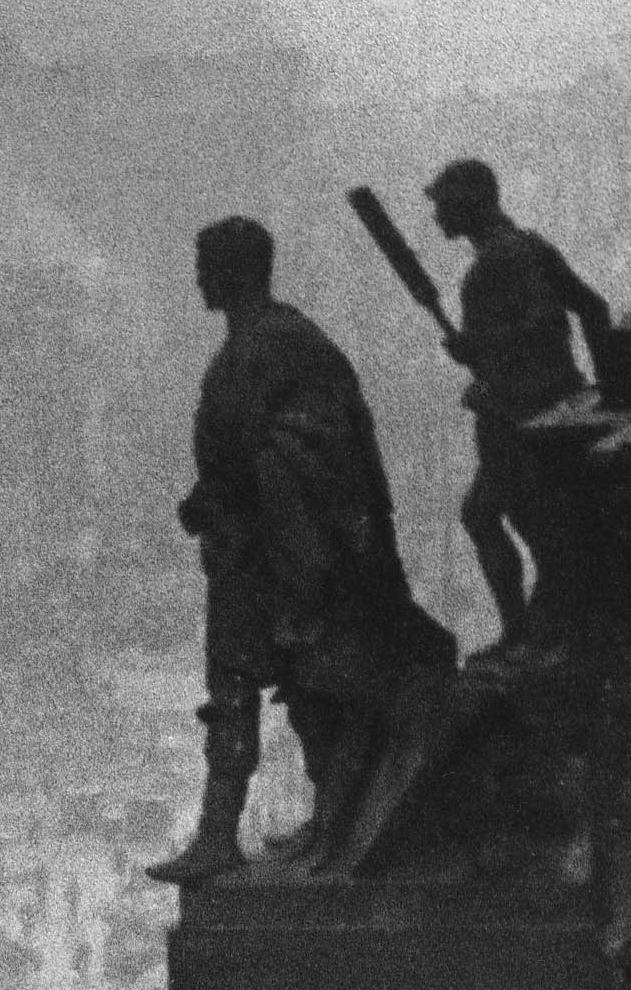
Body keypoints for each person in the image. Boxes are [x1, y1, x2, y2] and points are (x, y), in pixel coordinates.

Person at [156, 215, 445, 885]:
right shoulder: (264, 342)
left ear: (235, 270)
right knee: (270, 686)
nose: (197, 277)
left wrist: (234, 496)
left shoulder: (276, 345)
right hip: (260, 547)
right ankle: (265, 827)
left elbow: (303, 447)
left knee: (279, 686)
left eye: (205, 263)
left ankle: (255, 831)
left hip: (283, 552)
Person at [423, 158, 615, 655]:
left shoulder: (497, 263)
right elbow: (592, 309)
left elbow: (547, 319)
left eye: (443, 203)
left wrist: (481, 346)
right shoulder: (529, 247)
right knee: (521, 522)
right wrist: (605, 392)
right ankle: (536, 627)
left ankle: (523, 633)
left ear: (470, 201)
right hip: (545, 409)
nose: (437, 214)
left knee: (491, 517)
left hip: (520, 418)